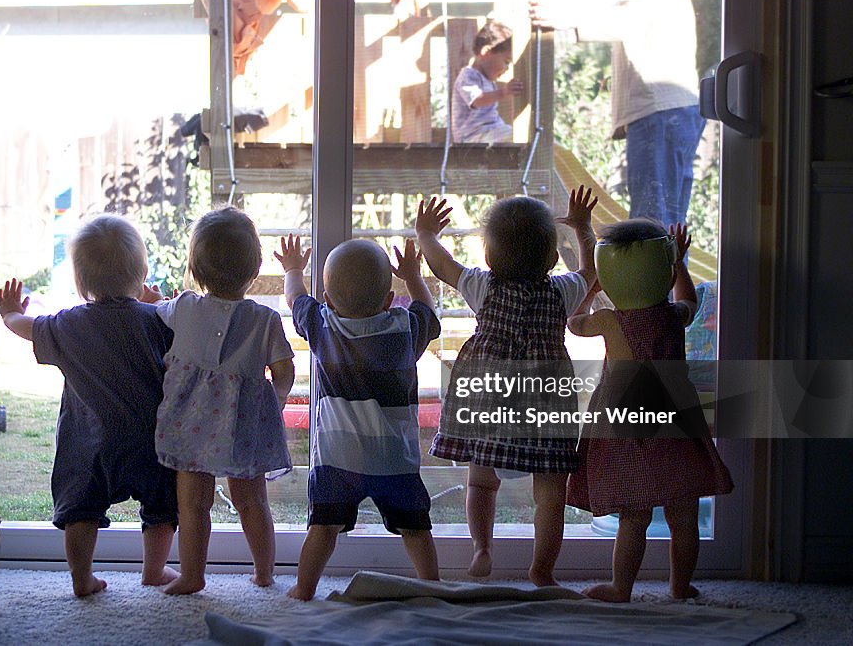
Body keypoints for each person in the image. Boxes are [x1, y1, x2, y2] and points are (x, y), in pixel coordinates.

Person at [416, 186, 598, 582]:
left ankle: (482, 549)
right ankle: (542, 569)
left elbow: (443, 266)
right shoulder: (561, 292)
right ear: (552, 258)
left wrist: (426, 234)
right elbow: (591, 271)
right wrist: (582, 227)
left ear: (487, 257)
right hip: (545, 403)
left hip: (487, 398)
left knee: (481, 481)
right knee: (550, 492)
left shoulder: (484, 287)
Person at [0, 214, 178, 598]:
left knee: (82, 509)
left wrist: (11, 311)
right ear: (141, 272)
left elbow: (24, 325)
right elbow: (173, 327)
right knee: (162, 506)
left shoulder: (68, 324)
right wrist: (156, 303)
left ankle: (82, 578)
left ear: (79, 282)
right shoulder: (157, 319)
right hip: (152, 439)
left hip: (89, 443)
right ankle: (154, 571)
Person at [566, 219, 733, 602]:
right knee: (684, 513)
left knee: (633, 517)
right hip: (674, 422)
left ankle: (620, 587)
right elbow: (690, 301)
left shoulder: (610, 321)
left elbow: (574, 323)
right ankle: (679, 585)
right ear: (662, 267)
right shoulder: (671, 316)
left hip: (627, 429)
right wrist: (682, 265)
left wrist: (592, 289)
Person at [277, 236, 441, 600]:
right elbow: (428, 311)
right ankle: (432, 586)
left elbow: (295, 300)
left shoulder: (324, 326)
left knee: (323, 528)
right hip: (395, 460)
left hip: (338, 459)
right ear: (388, 300)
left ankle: (304, 589)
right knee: (416, 529)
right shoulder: (404, 329)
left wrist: (292, 269)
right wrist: (413, 276)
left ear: (330, 301)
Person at [147, 206, 295, 595]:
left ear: (194, 269)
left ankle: (193, 575)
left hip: (190, 424)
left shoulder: (183, 307)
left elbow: (153, 314)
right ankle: (264, 573)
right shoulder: (266, 319)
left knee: (193, 506)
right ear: (256, 267)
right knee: (252, 502)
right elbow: (284, 371)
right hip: (243, 426)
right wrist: (273, 404)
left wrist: (151, 298)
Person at [530, 0, 705, 228]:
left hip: (660, 112)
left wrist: (566, 18)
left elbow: (630, 20)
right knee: (668, 223)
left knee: (652, 224)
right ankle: (671, 278)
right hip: (671, 111)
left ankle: (654, 280)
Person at [451, 19, 526, 143]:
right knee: (520, 138)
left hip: (491, 131)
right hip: (472, 137)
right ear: (486, 52)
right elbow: (476, 100)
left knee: (524, 136)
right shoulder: (468, 76)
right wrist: (503, 92)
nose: (507, 68)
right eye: (506, 61)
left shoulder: (488, 80)